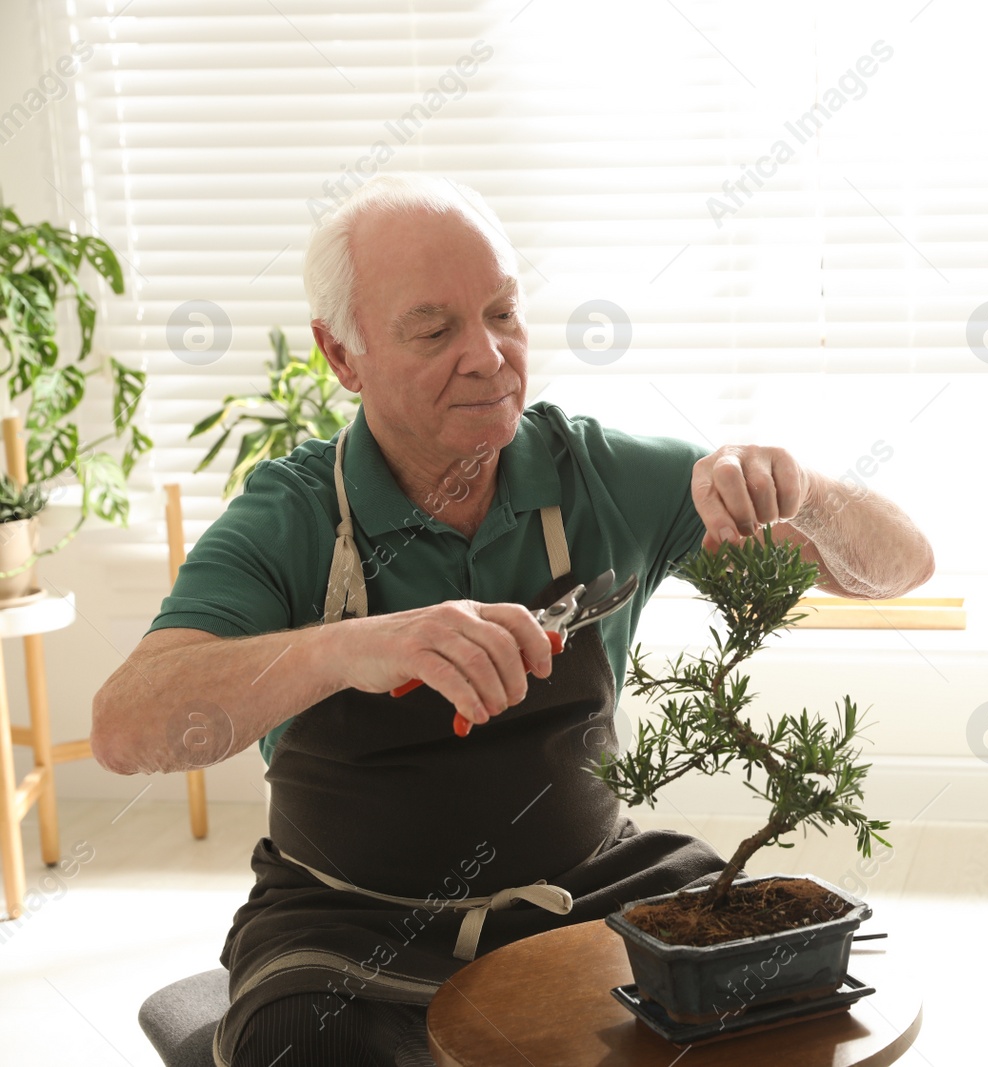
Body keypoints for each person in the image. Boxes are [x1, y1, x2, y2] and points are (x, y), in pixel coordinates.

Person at [90, 174, 934, 1067]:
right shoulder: (295, 516)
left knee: (784, 1010)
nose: (489, 355)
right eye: (434, 328)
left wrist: (801, 491)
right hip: (349, 917)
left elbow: (899, 566)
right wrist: (353, 646)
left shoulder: (602, 475)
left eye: (501, 312)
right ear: (344, 356)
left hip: (594, 885)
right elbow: (126, 728)